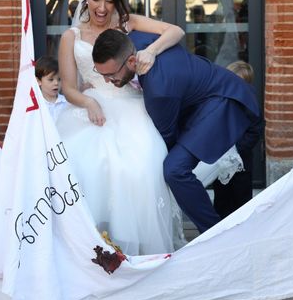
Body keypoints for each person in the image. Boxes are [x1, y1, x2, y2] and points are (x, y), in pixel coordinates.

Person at [56, 0, 185, 256]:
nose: (102, 8)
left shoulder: (127, 23)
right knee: (86, 164)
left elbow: (175, 31)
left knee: (142, 164)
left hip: (130, 106)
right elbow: (68, 88)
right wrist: (89, 103)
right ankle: (93, 250)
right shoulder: (71, 37)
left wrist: (151, 51)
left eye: (109, 0)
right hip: (91, 107)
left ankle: (134, 247)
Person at [92, 29, 261, 233]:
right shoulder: (138, 40)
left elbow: (166, 140)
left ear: (130, 62)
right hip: (199, 98)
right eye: (101, 74)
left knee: (174, 169)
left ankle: (214, 234)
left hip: (225, 103)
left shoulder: (159, 91)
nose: (107, 81)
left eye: (110, 75)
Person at [212, 61, 262, 219]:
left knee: (241, 196)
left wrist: (237, 149)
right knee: (221, 194)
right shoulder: (220, 100)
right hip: (221, 158)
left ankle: (242, 226)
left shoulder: (251, 103)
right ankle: (220, 225)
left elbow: (255, 131)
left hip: (241, 160)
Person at [34, 55, 68, 122]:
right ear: (38, 81)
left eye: (59, 79)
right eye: (51, 80)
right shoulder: (36, 104)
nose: (56, 83)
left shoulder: (66, 103)